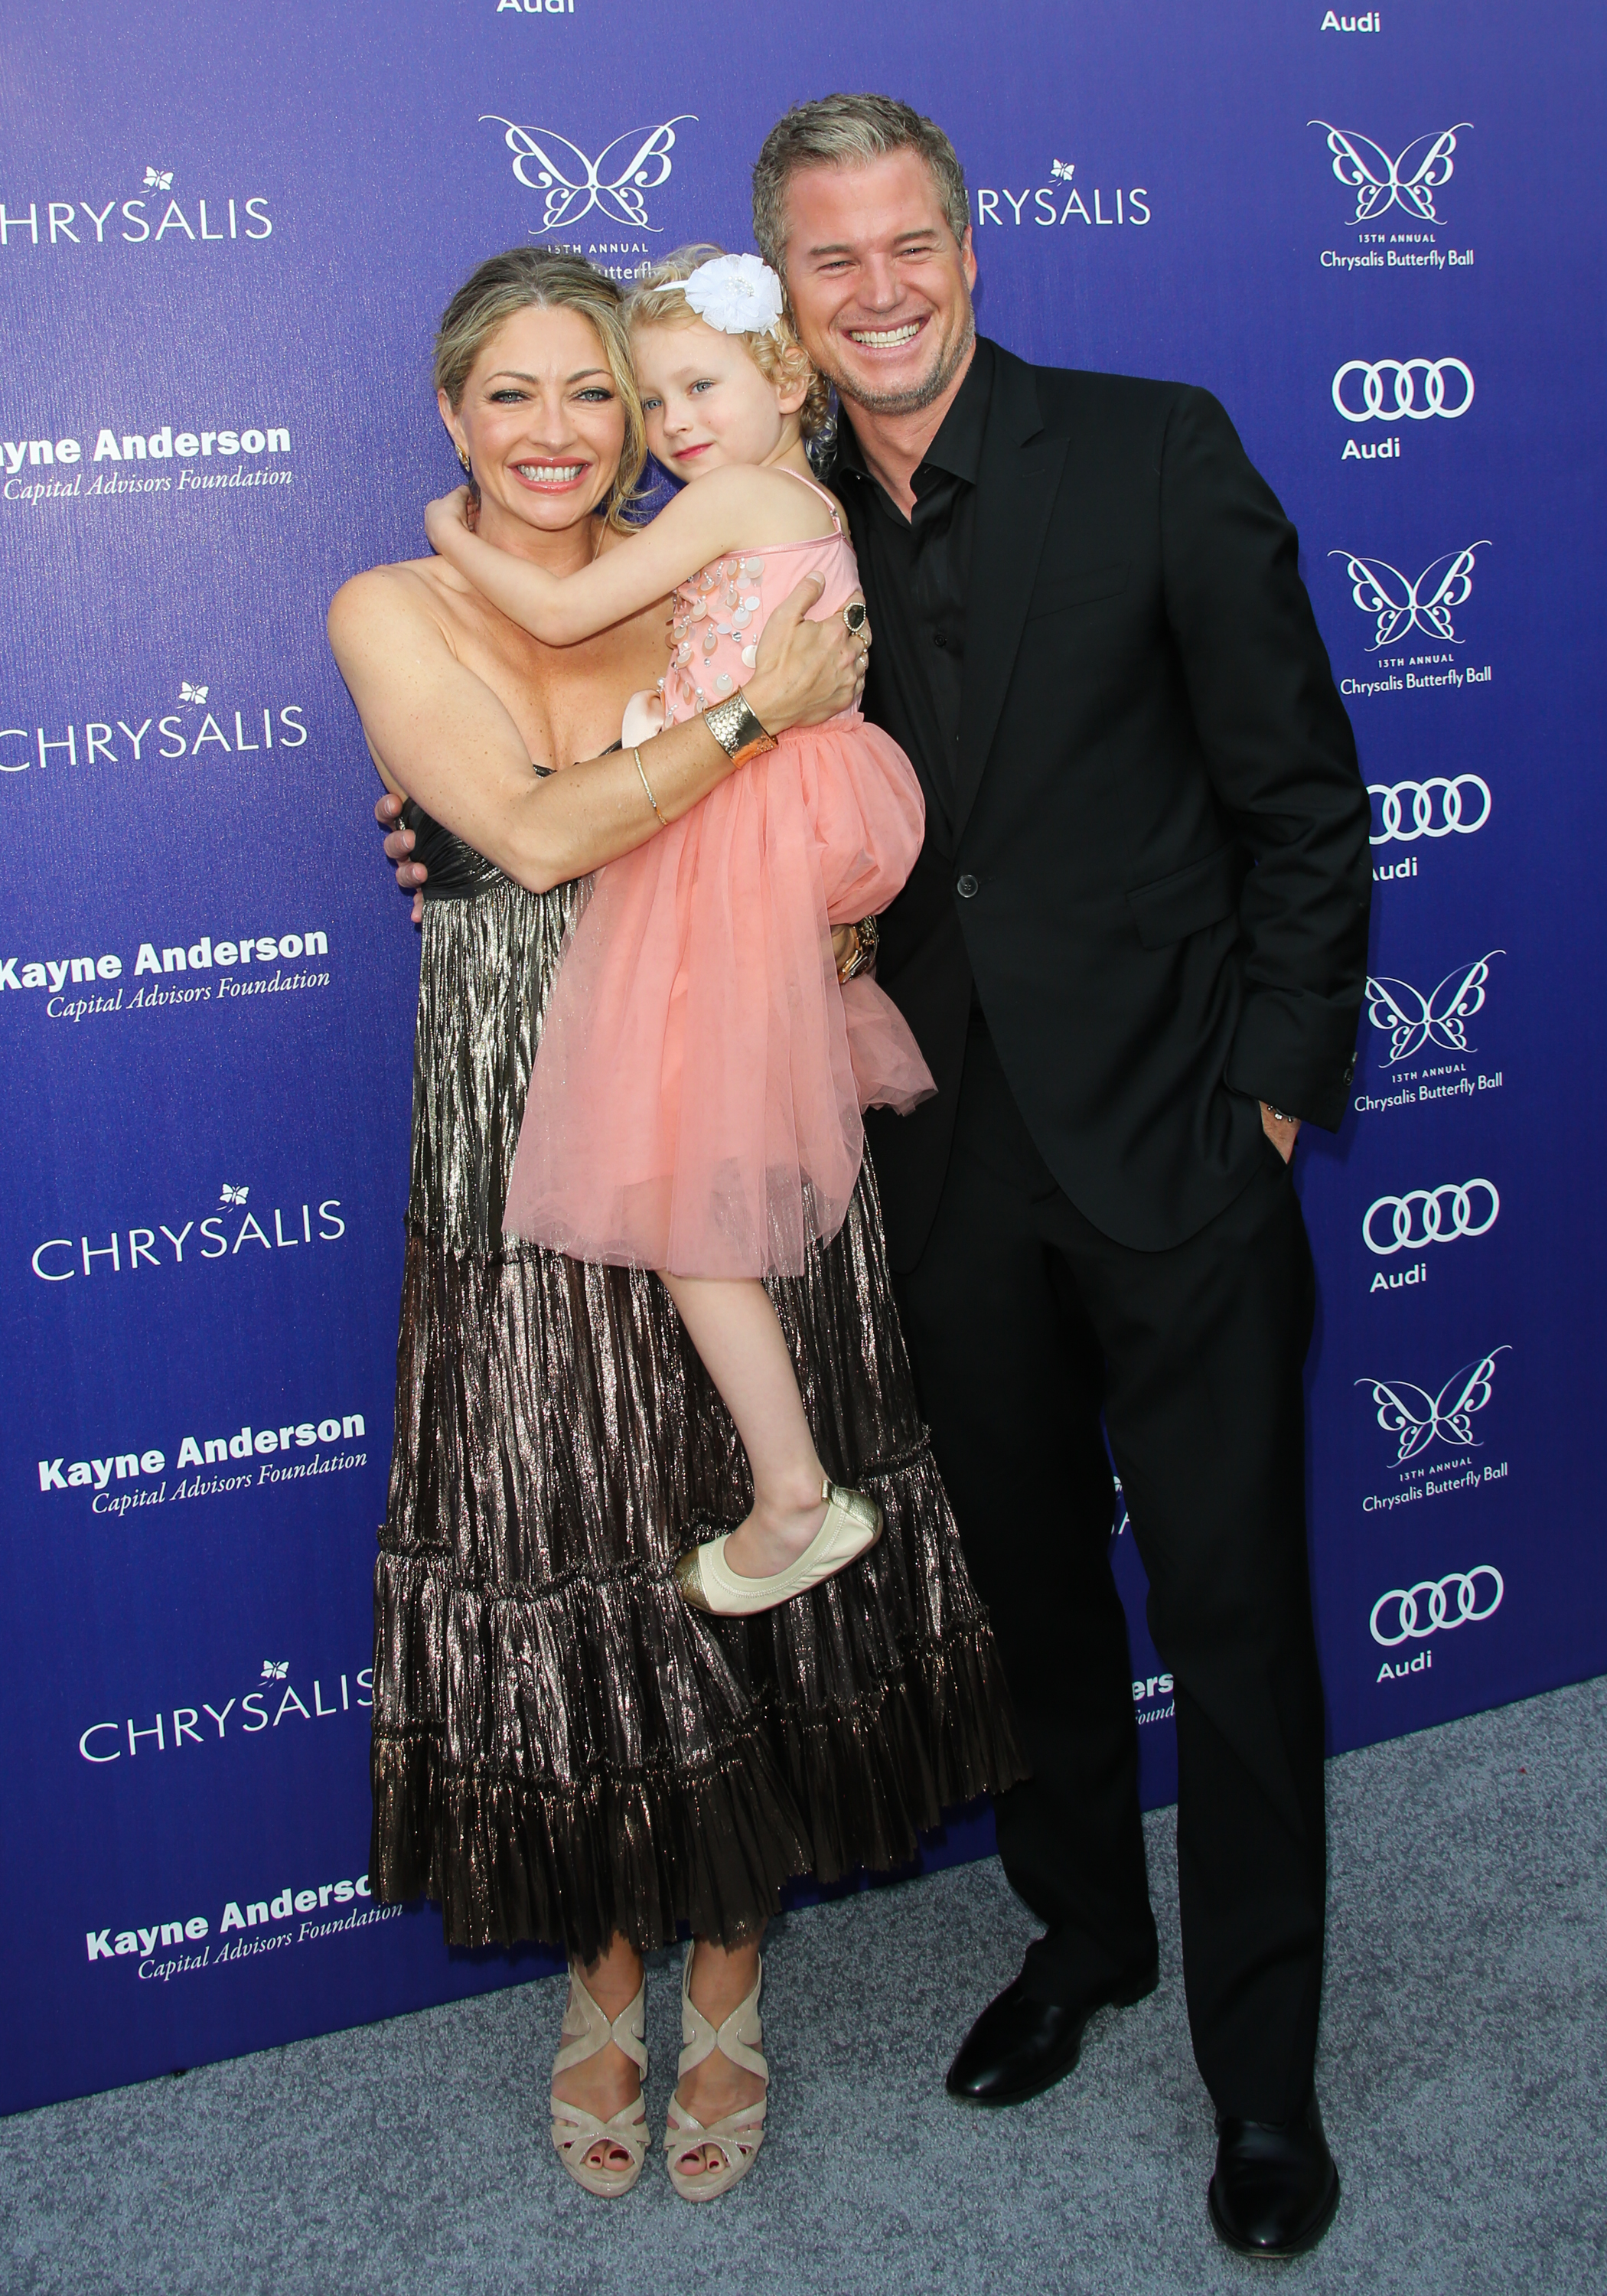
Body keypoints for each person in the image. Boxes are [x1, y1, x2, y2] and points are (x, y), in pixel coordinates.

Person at [746, 95, 1372, 2260]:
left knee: (1229, 1618)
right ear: (785, 297)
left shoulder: (1153, 447)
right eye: (830, 261)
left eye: (907, 241)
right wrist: (453, 833)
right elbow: (621, 765)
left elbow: (1303, 798)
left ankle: (1262, 2071)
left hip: (1180, 1137)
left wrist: (1273, 1095)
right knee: (1024, 1601)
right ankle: (1087, 1936)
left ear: (970, 248)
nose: (880, 288)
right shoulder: (767, 523)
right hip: (937, 1160)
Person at [332, 246, 1023, 2205]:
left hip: (721, 1092)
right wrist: (724, 743)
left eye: (597, 398)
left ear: (651, 414)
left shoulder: (708, 569)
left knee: (753, 1503)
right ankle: (602, 1965)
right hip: (510, 1125)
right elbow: (539, 835)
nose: (561, 435)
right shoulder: (395, 601)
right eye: (515, 397)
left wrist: (819, 861)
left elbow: (810, 812)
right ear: (450, 413)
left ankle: (731, 1964)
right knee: (566, 1532)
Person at [420, 244, 935, 1620]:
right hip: (759, 828)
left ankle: (790, 1492)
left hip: (729, 845)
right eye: (652, 405)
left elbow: (562, 609)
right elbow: (536, 807)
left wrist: (451, 533)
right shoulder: (783, 497)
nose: (673, 426)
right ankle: (792, 1485)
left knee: (690, 1201)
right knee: (712, 1189)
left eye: (691, 386)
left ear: (786, 376)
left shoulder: (732, 506)